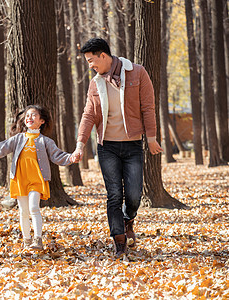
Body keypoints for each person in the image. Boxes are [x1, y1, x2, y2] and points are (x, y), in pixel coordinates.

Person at [71, 38, 163, 258]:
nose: (90, 65)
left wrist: (151, 138)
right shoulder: (95, 83)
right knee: (114, 195)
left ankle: (128, 218)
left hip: (132, 145)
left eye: (91, 60)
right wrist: (79, 145)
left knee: (133, 195)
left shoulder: (137, 73)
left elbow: (148, 108)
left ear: (103, 55)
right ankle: (119, 241)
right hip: (107, 147)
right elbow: (88, 115)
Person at [0, 105, 76, 250]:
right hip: (20, 179)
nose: (29, 118)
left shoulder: (45, 141)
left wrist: (71, 157)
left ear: (42, 121)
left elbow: (57, 155)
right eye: (27, 116)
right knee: (23, 211)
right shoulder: (18, 138)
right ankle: (27, 240)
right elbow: (2, 147)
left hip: (37, 180)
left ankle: (38, 239)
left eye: (33, 115)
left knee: (34, 207)